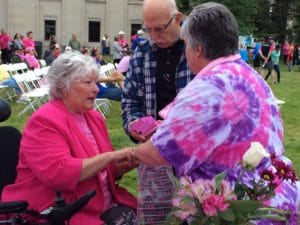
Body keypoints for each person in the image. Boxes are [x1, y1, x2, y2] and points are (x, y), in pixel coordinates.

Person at [123, 2, 300, 225]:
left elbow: (158, 153)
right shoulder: (250, 75)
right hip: (276, 198)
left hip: (240, 212)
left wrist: (127, 154)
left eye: (186, 45)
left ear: (197, 49)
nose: (185, 53)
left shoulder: (205, 88)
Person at [1, 52, 137, 225]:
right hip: (60, 211)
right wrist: (112, 156)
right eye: (88, 82)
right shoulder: (44, 120)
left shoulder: (93, 117)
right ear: (63, 87)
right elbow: (59, 173)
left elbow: (102, 172)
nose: (96, 88)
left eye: (95, 82)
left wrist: (122, 167)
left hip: (101, 204)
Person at [121, 0, 195, 224]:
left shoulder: (196, 49)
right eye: (148, 29)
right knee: (157, 217)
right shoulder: (141, 51)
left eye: (160, 29)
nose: (154, 35)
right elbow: (129, 99)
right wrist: (133, 126)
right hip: (154, 150)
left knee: (197, 211)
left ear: (178, 19)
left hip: (192, 152)